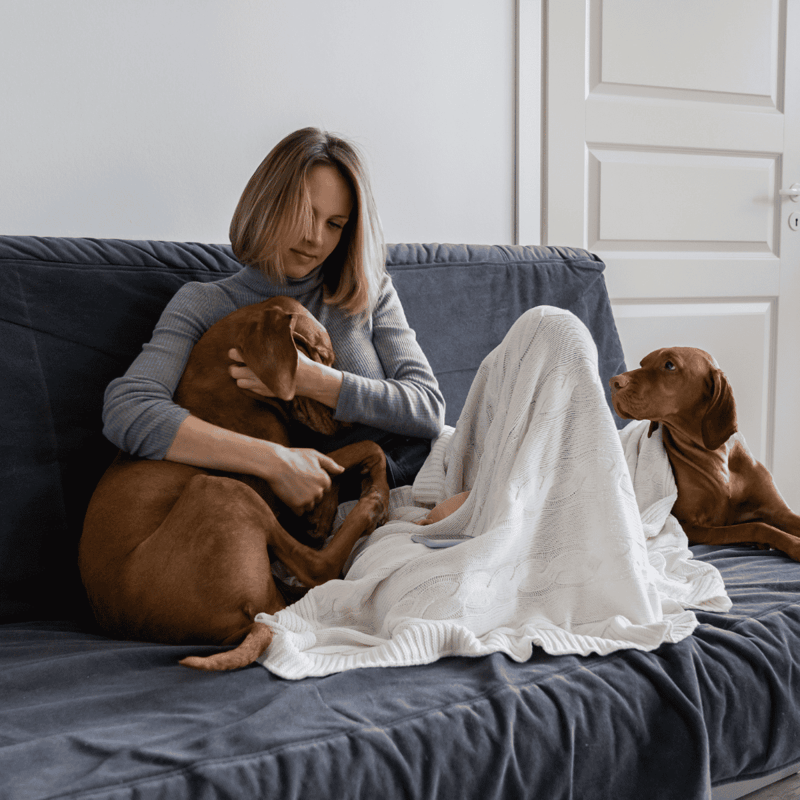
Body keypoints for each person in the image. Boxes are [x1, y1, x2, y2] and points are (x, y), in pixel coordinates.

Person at [103, 127, 445, 514]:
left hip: (433, 465)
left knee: (531, 335)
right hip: (348, 498)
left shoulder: (368, 290)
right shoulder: (206, 304)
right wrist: (272, 460)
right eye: (304, 213)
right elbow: (128, 410)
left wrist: (311, 381)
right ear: (267, 204)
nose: (316, 238)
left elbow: (429, 408)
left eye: (335, 224)